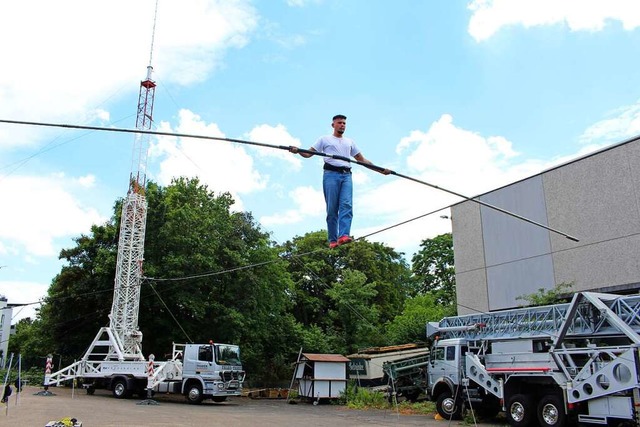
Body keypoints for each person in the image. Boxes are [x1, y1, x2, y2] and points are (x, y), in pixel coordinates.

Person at [290, 114, 389, 248]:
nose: (342, 125)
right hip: (331, 175)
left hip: (346, 175)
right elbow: (308, 154)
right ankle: (332, 239)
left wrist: (380, 170)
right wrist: (297, 151)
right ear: (333, 125)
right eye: (339, 123)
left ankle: (343, 235)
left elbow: (362, 160)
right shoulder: (324, 139)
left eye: (344, 123)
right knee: (332, 209)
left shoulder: (349, 142)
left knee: (346, 205)